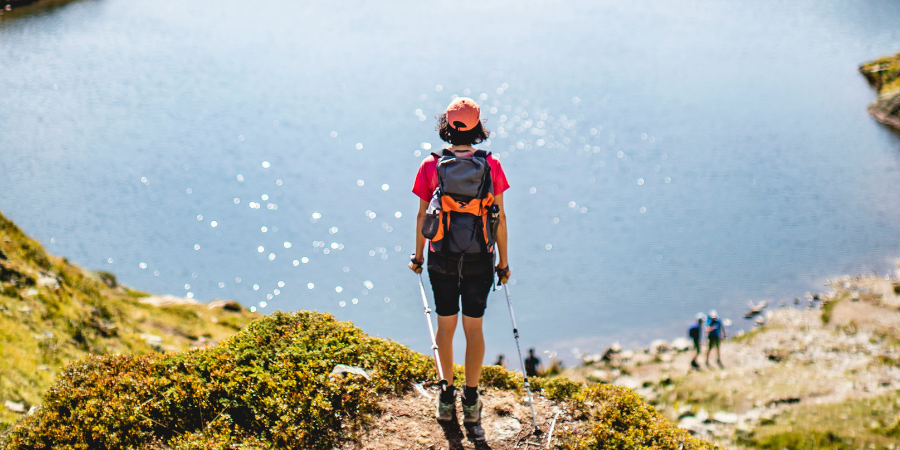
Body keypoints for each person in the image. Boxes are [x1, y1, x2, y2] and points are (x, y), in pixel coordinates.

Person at [408, 97, 511, 435]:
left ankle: (445, 396)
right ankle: (470, 401)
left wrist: (418, 256)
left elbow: (424, 215)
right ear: (478, 128)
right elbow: (500, 217)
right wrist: (504, 263)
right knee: (474, 329)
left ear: (447, 127)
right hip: (481, 256)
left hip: (442, 256)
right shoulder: (491, 164)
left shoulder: (430, 165)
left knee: (445, 326)